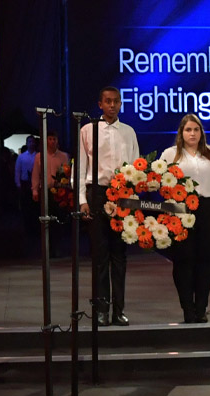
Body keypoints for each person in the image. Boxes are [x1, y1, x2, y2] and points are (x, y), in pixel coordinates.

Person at [160, 114, 210, 323]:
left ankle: (201, 308)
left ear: (201, 133)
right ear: (181, 133)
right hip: (181, 210)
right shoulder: (169, 154)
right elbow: (158, 182)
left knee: (206, 261)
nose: (192, 134)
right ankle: (187, 308)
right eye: (188, 130)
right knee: (183, 261)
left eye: (196, 130)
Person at [78, 86, 140, 326]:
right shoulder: (88, 130)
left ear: (121, 104)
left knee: (120, 256)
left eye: (116, 101)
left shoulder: (129, 132)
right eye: (108, 101)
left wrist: (132, 201)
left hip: (123, 193)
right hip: (97, 193)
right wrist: (82, 200)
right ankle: (101, 309)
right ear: (100, 104)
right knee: (100, 255)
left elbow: (136, 168)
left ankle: (119, 310)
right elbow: (81, 168)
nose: (112, 105)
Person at [31, 130, 71, 257]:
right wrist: (35, 190)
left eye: (54, 139)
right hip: (45, 191)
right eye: (50, 139)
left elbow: (68, 174)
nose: (52, 141)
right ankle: (47, 248)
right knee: (46, 221)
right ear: (46, 140)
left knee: (58, 220)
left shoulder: (64, 156)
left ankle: (58, 247)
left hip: (60, 192)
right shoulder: (39, 156)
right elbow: (36, 174)